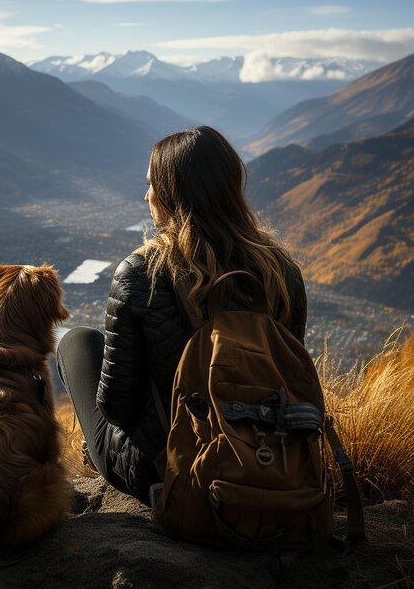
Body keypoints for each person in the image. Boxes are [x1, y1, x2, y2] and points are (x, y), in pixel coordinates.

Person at [56, 126, 307, 505]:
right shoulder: (281, 271)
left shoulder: (143, 273)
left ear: (173, 193)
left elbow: (117, 409)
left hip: (167, 469)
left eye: (152, 185)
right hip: (271, 460)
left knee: (77, 341)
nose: (146, 196)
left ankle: (100, 471)